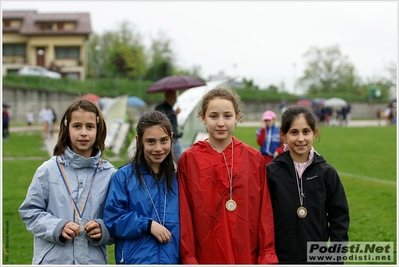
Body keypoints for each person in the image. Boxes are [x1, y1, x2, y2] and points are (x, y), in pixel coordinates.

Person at [178, 86, 278, 264]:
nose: (221, 122)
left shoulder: (254, 158)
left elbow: (264, 211)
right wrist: (189, 258)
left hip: (246, 251)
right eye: (213, 116)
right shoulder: (189, 160)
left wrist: (266, 255)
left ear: (237, 117)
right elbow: (184, 215)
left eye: (227, 116)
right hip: (207, 254)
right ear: (203, 118)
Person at [18, 99, 116, 264]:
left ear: (98, 130)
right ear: (67, 128)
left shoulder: (110, 174)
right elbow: (30, 212)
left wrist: (104, 229)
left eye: (90, 126)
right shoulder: (48, 170)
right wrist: (57, 227)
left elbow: (118, 218)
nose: (83, 133)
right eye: (77, 126)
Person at [266, 105, 349, 264]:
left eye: (306, 131)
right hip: (281, 258)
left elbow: (339, 218)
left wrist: (335, 259)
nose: (300, 138)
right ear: (283, 135)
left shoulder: (326, 173)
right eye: (294, 132)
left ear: (314, 133)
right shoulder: (271, 173)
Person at [103, 110, 180, 264]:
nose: (158, 148)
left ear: (171, 138)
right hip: (136, 261)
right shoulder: (123, 177)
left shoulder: (179, 178)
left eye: (164, 140)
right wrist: (147, 225)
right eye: (151, 141)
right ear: (139, 140)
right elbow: (113, 218)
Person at [155, 90, 183, 163]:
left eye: (175, 98)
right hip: (166, 140)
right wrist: (173, 114)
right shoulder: (160, 108)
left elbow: (174, 125)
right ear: (167, 97)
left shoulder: (172, 108)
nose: (175, 100)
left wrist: (177, 136)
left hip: (175, 139)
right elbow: (160, 122)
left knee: (181, 162)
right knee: (166, 162)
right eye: (173, 98)